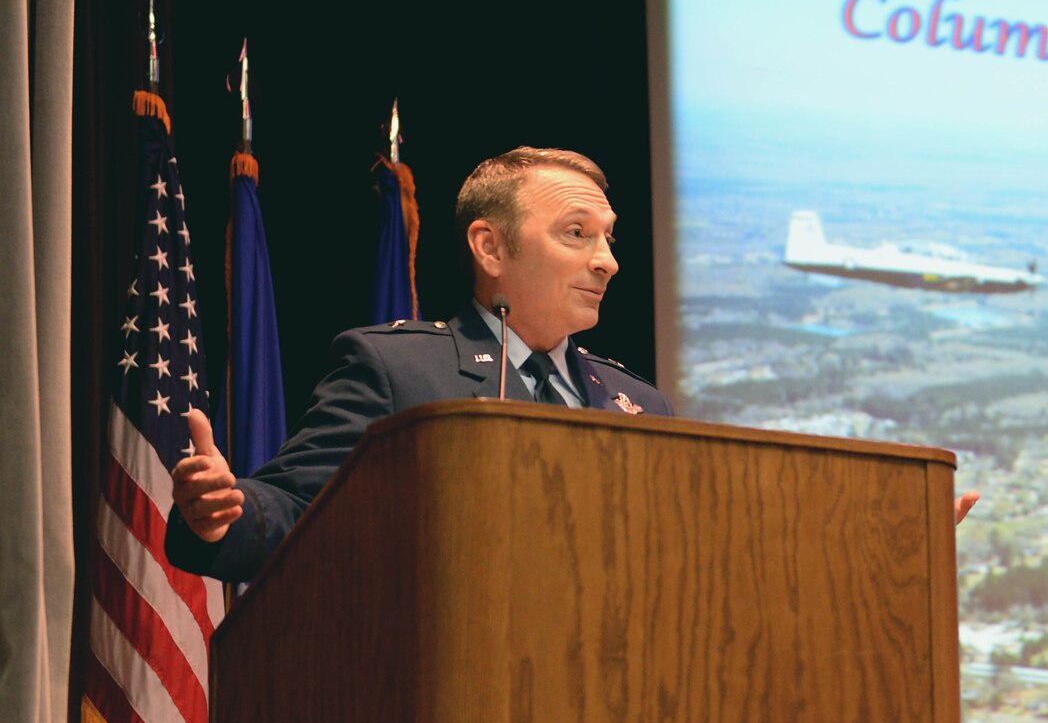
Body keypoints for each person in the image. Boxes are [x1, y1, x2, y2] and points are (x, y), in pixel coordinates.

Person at [168, 147, 976, 582]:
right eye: (577, 234)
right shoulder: (395, 370)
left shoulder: (637, 405)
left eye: (610, 237)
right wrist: (226, 506)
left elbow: (707, 562)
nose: (609, 261)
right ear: (490, 246)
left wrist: (878, 546)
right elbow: (293, 506)